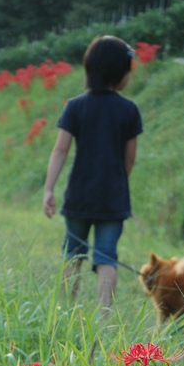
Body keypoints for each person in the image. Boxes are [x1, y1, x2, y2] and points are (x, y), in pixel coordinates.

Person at [43, 35, 143, 309]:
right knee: (106, 258)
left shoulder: (75, 106)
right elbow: (129, 157)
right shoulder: (129, 110)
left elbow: (60, 150)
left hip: (78, 196)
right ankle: (103, 322)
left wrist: (49, 188)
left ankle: (64, 312)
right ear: (120, 72)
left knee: (72, 254)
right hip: (112, 199)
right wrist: (119, 185)